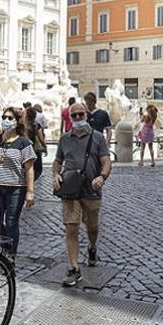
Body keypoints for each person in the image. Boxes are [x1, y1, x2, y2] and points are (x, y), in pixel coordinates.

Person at [52, 102, 112, 287]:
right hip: (70, 190)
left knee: (92, 227)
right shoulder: (64, 139)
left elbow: (106, 161)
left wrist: (102, 177)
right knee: (71, 228)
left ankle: (92, 248)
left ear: (86, 115)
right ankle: (74, 268)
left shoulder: (98, 137)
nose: (78, 118)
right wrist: (55, 174)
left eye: (81, 114)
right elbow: (57, 161)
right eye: (74, 116)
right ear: (70, 118)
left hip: (91, 190)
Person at [0, 107, 36, 256]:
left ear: (17, 122)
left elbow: (29, 169)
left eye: (10, 118)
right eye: (4, 117)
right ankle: (6, 245)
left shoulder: (23, 143)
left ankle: (11, 254)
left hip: (16, 188)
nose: (6, 120)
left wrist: (30, 192)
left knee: (11, 222)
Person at [22, 105, 46, 179]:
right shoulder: (37, 125)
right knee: (36, 170)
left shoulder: (21, 127)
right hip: (35, 151)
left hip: (25, 152)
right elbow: (41, 139)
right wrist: (45, 147)